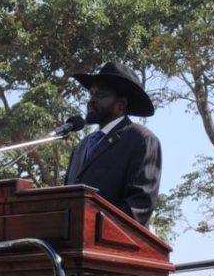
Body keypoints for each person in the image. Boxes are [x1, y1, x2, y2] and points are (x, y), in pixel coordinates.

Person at [65, 62, 161, 227]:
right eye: (91, 94)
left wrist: (94, 227)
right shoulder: (81, 146)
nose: (92, 101)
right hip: (73, 247)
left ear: (121, 104)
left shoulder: (140, 139)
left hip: (114, 246)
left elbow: (139, 205)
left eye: (100, 95)